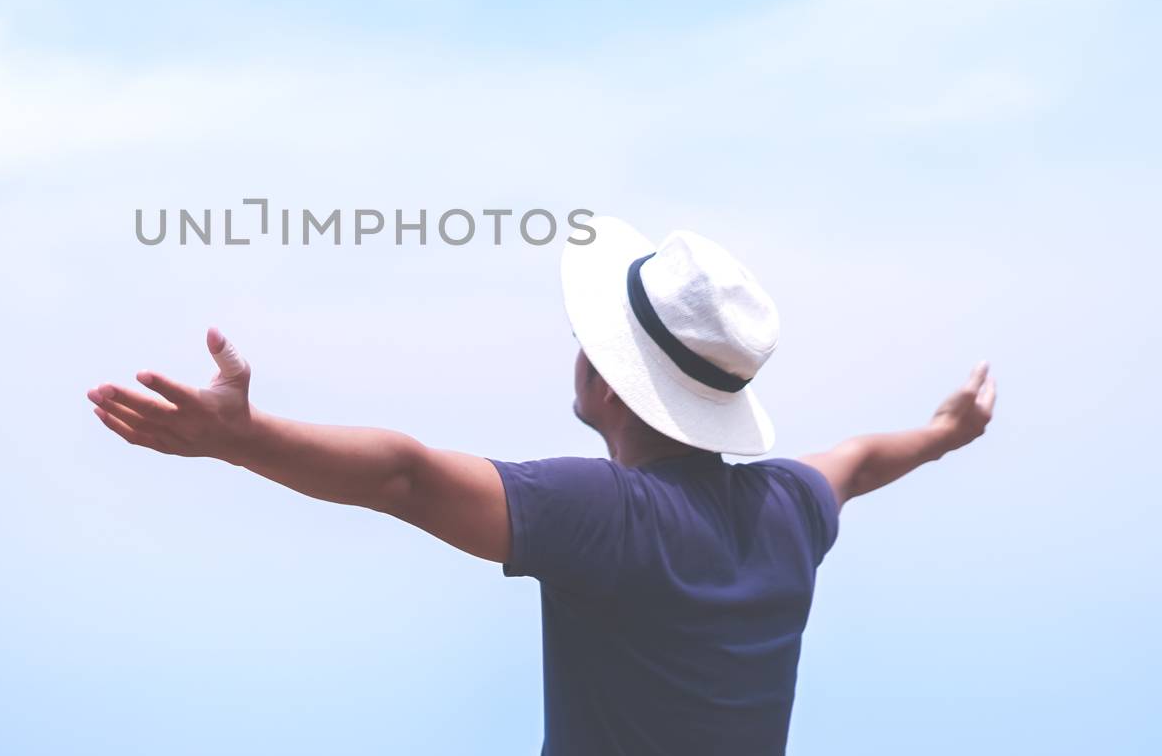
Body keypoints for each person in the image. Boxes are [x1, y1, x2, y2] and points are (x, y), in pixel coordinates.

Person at [88, 217, 997, 755]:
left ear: (607, 377)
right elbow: (863, 458)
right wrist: (944, 434)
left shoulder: (609, 517)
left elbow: (406, 477)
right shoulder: (791, 507)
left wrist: (240, 439)